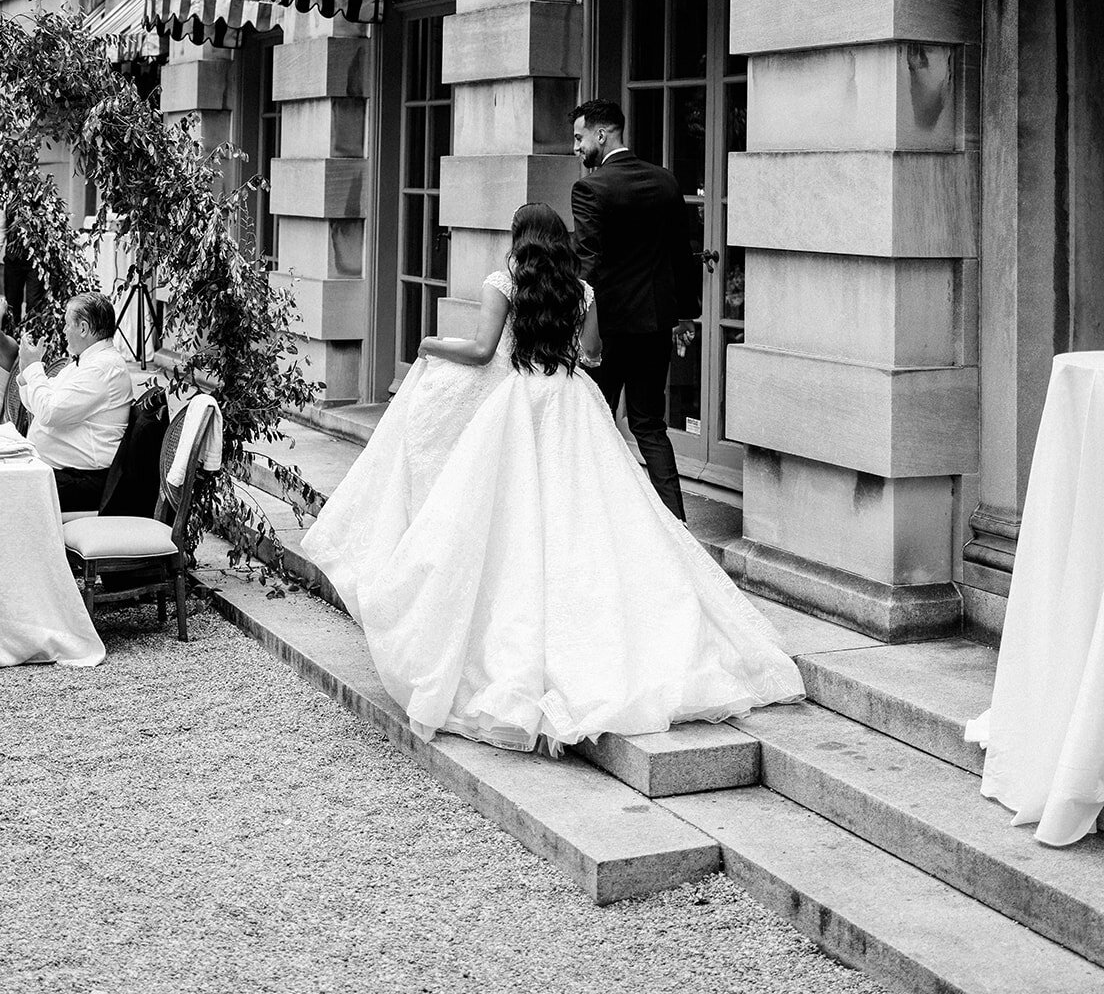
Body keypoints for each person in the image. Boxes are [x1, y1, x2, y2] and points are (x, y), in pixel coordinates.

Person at [304, 203, 803, 756]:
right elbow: (591, 356)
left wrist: (427, 346)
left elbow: (480, 351)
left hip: (520, 405)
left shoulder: (505, 283)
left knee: (509, 524)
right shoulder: (583, 292)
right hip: (572, 405)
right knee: (587, 517)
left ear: (520, 238)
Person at [570, 99, 699, 521]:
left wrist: (578, 327)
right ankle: (676, 523)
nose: (576, 147)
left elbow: (588, 267)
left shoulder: (590, 188)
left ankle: (596, 521)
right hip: (655, 326)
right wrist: (685, 314)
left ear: (601, 135)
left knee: (596, 422)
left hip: (607, 330)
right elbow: (684, 255)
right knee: (649, 424)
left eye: (579, 137)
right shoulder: (665, 182)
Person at [17, 292, 133, 510]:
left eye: (66, 324)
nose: (63, 331)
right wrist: (26, 373)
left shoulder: (102, 367)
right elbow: (38, 405)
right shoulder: (86, 362)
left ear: (83, 328)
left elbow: (49, 413)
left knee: (5, 491)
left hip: (86, 481)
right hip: (66, 473)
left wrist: (34, 369)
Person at [0, 204, 45, 323]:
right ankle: (13, 335)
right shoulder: (6, 200)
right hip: (13, 260)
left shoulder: (40, 197)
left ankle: (31, 335)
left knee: (34, 302)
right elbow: (1, 228)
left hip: (36, 261)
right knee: (12, 302)